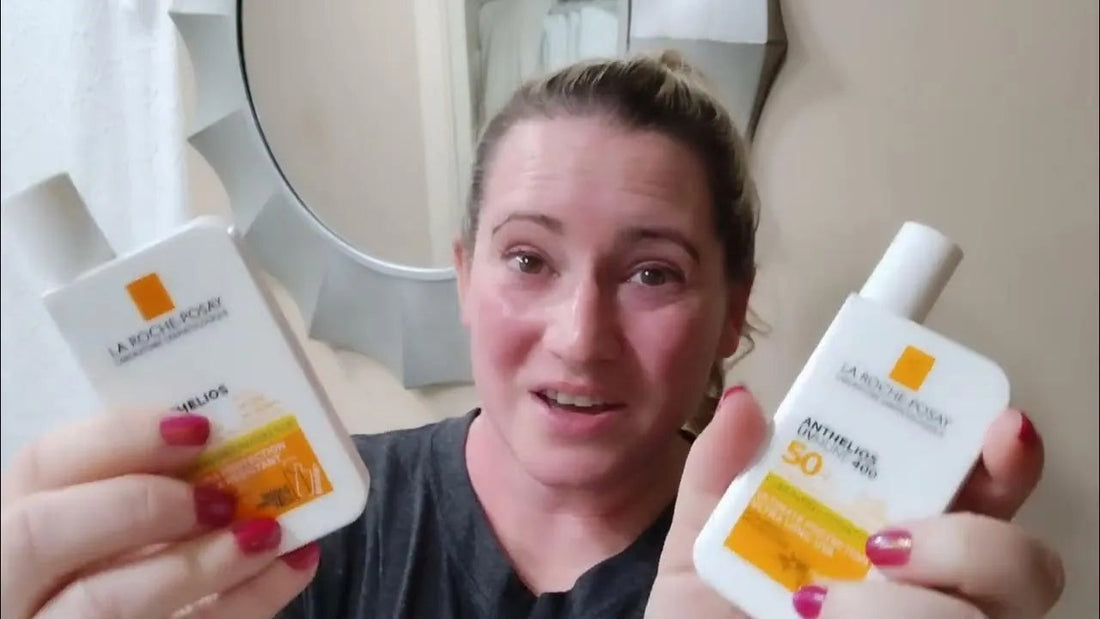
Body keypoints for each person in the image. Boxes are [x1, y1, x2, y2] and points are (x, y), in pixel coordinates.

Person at [0, 51, 1065, 619]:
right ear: (464, 279)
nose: (577, 336)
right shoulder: (298, 535)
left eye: (652, 272)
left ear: (731, 312)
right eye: (526, 258)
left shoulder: (792, 580)